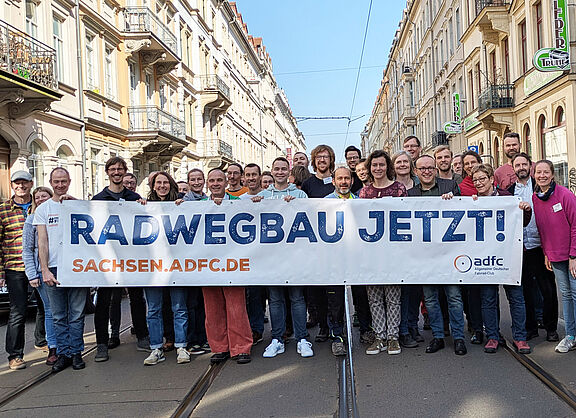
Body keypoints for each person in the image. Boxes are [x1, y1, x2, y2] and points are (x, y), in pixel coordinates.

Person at [253, 157, 313, 359]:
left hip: (295, 256)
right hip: (272, 258)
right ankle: (277, 339)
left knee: (297, 297)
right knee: (275, 299)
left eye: (283, 169)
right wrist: (254, 205)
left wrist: (297, 204)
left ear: (290, 172)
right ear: (271, 171)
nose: (279, 172)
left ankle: (302, 338)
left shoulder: (300, 194)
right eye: (276, 169)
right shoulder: (262, 195)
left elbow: (309, 216)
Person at [92, 157, 149, 362]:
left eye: (120, 169)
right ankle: (101, 344)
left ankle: (142, 336)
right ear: (107, 172)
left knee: (136, 297)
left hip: (131, 259)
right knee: (104, 302)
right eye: (113, 169)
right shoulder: (98, 199)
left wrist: (144, 206)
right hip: (107, 260)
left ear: (125, 171)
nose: (116, 172)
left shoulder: (134, 197)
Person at [408, 156, 466, 355]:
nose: (426, 171)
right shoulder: (409, 194)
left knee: (454, 297)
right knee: (431, 298)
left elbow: (465, 211)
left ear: (435, 169)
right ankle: (438, 337)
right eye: (422, 169)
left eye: (430, 168)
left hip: (450, 254)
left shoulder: (450, 186)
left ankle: (458, 338)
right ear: (415, 171)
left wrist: (454, 201)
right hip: (425, 256)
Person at [470, 164, 530, 354]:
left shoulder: (507, 198)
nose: (479, 183)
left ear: (491, 180)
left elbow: (523, 222)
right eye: (475, 180)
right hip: (485, 257)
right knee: (488, 298)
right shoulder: (472, 201)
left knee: (516, 297)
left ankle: (520, 337)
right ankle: (493, 337)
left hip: (508, 255)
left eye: (482, 179)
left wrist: (525, 210)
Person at [35, 167, 87, 372]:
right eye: (56, 182)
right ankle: (63, 353)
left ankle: (76, 353)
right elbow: (42, 242)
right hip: (54, 268)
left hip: (77, 268)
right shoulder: (43, 209)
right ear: (50, 182)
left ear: (69, 181)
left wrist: (77, 203)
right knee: (58, 315)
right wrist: (45, 270)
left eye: (63, 181)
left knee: (76, 314)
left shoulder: (79, 205)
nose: (59, 185)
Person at [202, 168, 252, 364]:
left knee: (236, 307)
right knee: (212, 308)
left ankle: (241, 348)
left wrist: (256, 203)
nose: (215, 184)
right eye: (212, 180)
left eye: (219, 180)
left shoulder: (238, 202)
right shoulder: (197, 206)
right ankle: (220, 347)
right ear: (208, 183)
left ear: (226, 183)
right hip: (207, 264)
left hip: (233, 263)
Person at [508, 153, 559, 343]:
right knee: (526, 290)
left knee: (548, 289)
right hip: (521, 248)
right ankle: (530, 328)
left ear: (530, 166)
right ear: (513, 168)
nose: (521, 167)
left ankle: (551, 328)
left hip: (541, 245)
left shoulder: (541, 187)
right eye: (517, 164)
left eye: (524, 164)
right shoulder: (508, 191)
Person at [359, 150, 405, 355]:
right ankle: (379, 337)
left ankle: (393, 337)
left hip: (393, 253)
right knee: (375, 297)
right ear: (370, 168)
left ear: (388, 167)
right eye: (374, 165)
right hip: (371, 253)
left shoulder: (399, 189)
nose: (378, 169)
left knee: (393, 296)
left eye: (381, 165)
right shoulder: (364, 193)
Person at [142, 171, 190, 366]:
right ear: (153, 186)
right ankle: (156, 348)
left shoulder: (181, 204)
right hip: (152, 268)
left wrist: (184, 206)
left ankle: (181, 346)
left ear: (171, 185)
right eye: (158, 183)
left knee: (179, 307)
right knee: (153, 309)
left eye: (165, 182)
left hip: (175, 266)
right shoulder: (143, 206)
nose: (162, 186)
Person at [531, 160, 576, 353]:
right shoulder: (535, 198)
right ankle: (571, 336)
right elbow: (543, 229)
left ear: (552, 175)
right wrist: (546, 253)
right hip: (555, 255)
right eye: (538, 172)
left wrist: (574, 255)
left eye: (545, 172)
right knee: (566, 295)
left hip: (572, 255)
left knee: (575, 294)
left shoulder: (565, 195)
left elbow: (575, 226)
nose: (542, 175)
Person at [0, 170, 37, 370]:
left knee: (45, 310)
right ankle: (15, 355)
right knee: (18, 312)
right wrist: (1, 274)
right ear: (12, 185)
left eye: (24, 183)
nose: (21, 186)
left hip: (40, 266)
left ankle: (45, 343)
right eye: (17, 183)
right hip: (15, 268)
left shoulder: (39, 205)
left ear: (31, 184)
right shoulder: (3, 210)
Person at [301, 145, 336, 343]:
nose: (322, 160)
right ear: (314, 160)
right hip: (314, 246)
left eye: (326, 156)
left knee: (334, 290)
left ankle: (336, 325)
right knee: (317, 290)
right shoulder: (308, 184)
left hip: (336, 244)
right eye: (319, 157)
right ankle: (323, 326)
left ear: (331, 159)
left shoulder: (338, 181)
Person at [23, 186, 58, 366]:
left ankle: (64, 345)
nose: (41, 199)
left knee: (62, 310)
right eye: (37, 197)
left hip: (62, 268)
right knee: (51, 310)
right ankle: (53, 347)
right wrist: (32, 274)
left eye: (44, 196)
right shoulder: (31, 221)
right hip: (41, 271)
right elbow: (27, 250)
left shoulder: (58, 216)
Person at [324, 166, 358, 356]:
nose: (344, 182)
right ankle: (337, 336)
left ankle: (364, 331)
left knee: (361, 297)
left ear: (352, 181)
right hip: (334, 260)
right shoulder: (325, 202)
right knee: (335, 301)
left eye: (347, 178)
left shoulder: (360, 201)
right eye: (340, 178)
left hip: (356, 258)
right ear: (333, 181)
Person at [458, 150, 484, 344]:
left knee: (490, 292)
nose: (469, 166)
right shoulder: (460, 187)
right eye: (466, 163)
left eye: (472, 162)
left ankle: (491, 328)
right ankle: (475, 325)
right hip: (466, 246)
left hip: (487, 246)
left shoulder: (490, 186)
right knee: (471, 290)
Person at [238, 163, 265, 345]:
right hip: (244, 255)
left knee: (258, 296)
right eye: (248, 175)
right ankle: (246, 329)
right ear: (244, 178)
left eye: (254, 174)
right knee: (246, 295)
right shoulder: (237, 201)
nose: (251, 178)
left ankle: (257, 329)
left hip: (265, 255)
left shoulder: (269, 197)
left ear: (260, 176)